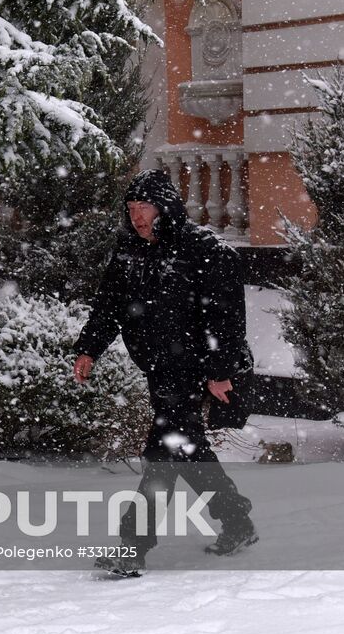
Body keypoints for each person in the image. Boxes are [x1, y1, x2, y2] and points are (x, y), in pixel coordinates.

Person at [73, 168, 256, 577]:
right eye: (132, 208)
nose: (137, 217)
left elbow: (224, 317)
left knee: (163, 451)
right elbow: (108, 305)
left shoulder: (204, 249)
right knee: (187, 449)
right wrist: (89, 348)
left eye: (145, 208)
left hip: (193, 368)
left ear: (165, 207)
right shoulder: (129, 251)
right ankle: (237, 520)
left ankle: (133, 546)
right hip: (158, 367)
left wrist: (219, 370)